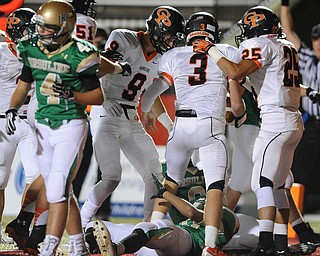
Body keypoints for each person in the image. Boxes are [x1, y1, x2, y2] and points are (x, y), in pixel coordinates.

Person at [3, 0, 129, 254]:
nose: (41, 32)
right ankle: (61, 240)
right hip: (39, 118)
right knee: (58, 185)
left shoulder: (78, 50)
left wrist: (74, 91)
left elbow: (97, 93)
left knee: (59, 184)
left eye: (46, 27)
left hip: (67, 120)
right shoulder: (34, 49)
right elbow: (22, 85)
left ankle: (44, 236)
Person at [193, 6, 306, 255]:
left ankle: (265, 243)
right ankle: (279, 242)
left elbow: (235, 72)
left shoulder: (260, 45)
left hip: (275, 120)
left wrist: (210, 48)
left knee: (261, 181)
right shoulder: (285, 45)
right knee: (277, 184)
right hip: (293, 119)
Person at [141, 12, 246, 256]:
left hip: (180, 126)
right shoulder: (226, 52)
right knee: (215, 186)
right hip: (209, 125)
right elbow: (238, 100)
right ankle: (210, 245)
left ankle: (151, 225)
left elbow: (149, 94)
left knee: (170, 183)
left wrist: (147, 112)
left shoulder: (174, 55)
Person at [80, 5, 185, 227]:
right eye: (168, 36)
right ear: (156, 28)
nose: (171, 42)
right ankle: (81, 221)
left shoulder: (162, 58)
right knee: (111, 178)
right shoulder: (124, 39)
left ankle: (146, 228)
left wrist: (167, 124)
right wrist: (103, 98)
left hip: (132, 116)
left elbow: (151, 93)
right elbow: (98, 67)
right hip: (106, 111)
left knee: (155, 175)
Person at [0, 7, 39, 245]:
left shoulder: (40, 52)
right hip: (3, 121)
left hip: (31, 122)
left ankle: (22, 224)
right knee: (0, 179)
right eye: (30, 29)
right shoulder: (2, 52)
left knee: (37, 176)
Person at [280, 0, 320, 214]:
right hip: (312, 124)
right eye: (315, 39)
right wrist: (285, 4)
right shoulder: (305, 57)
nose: (318, 43)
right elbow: (288, 30)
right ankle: (296, 218)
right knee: (300, 169)